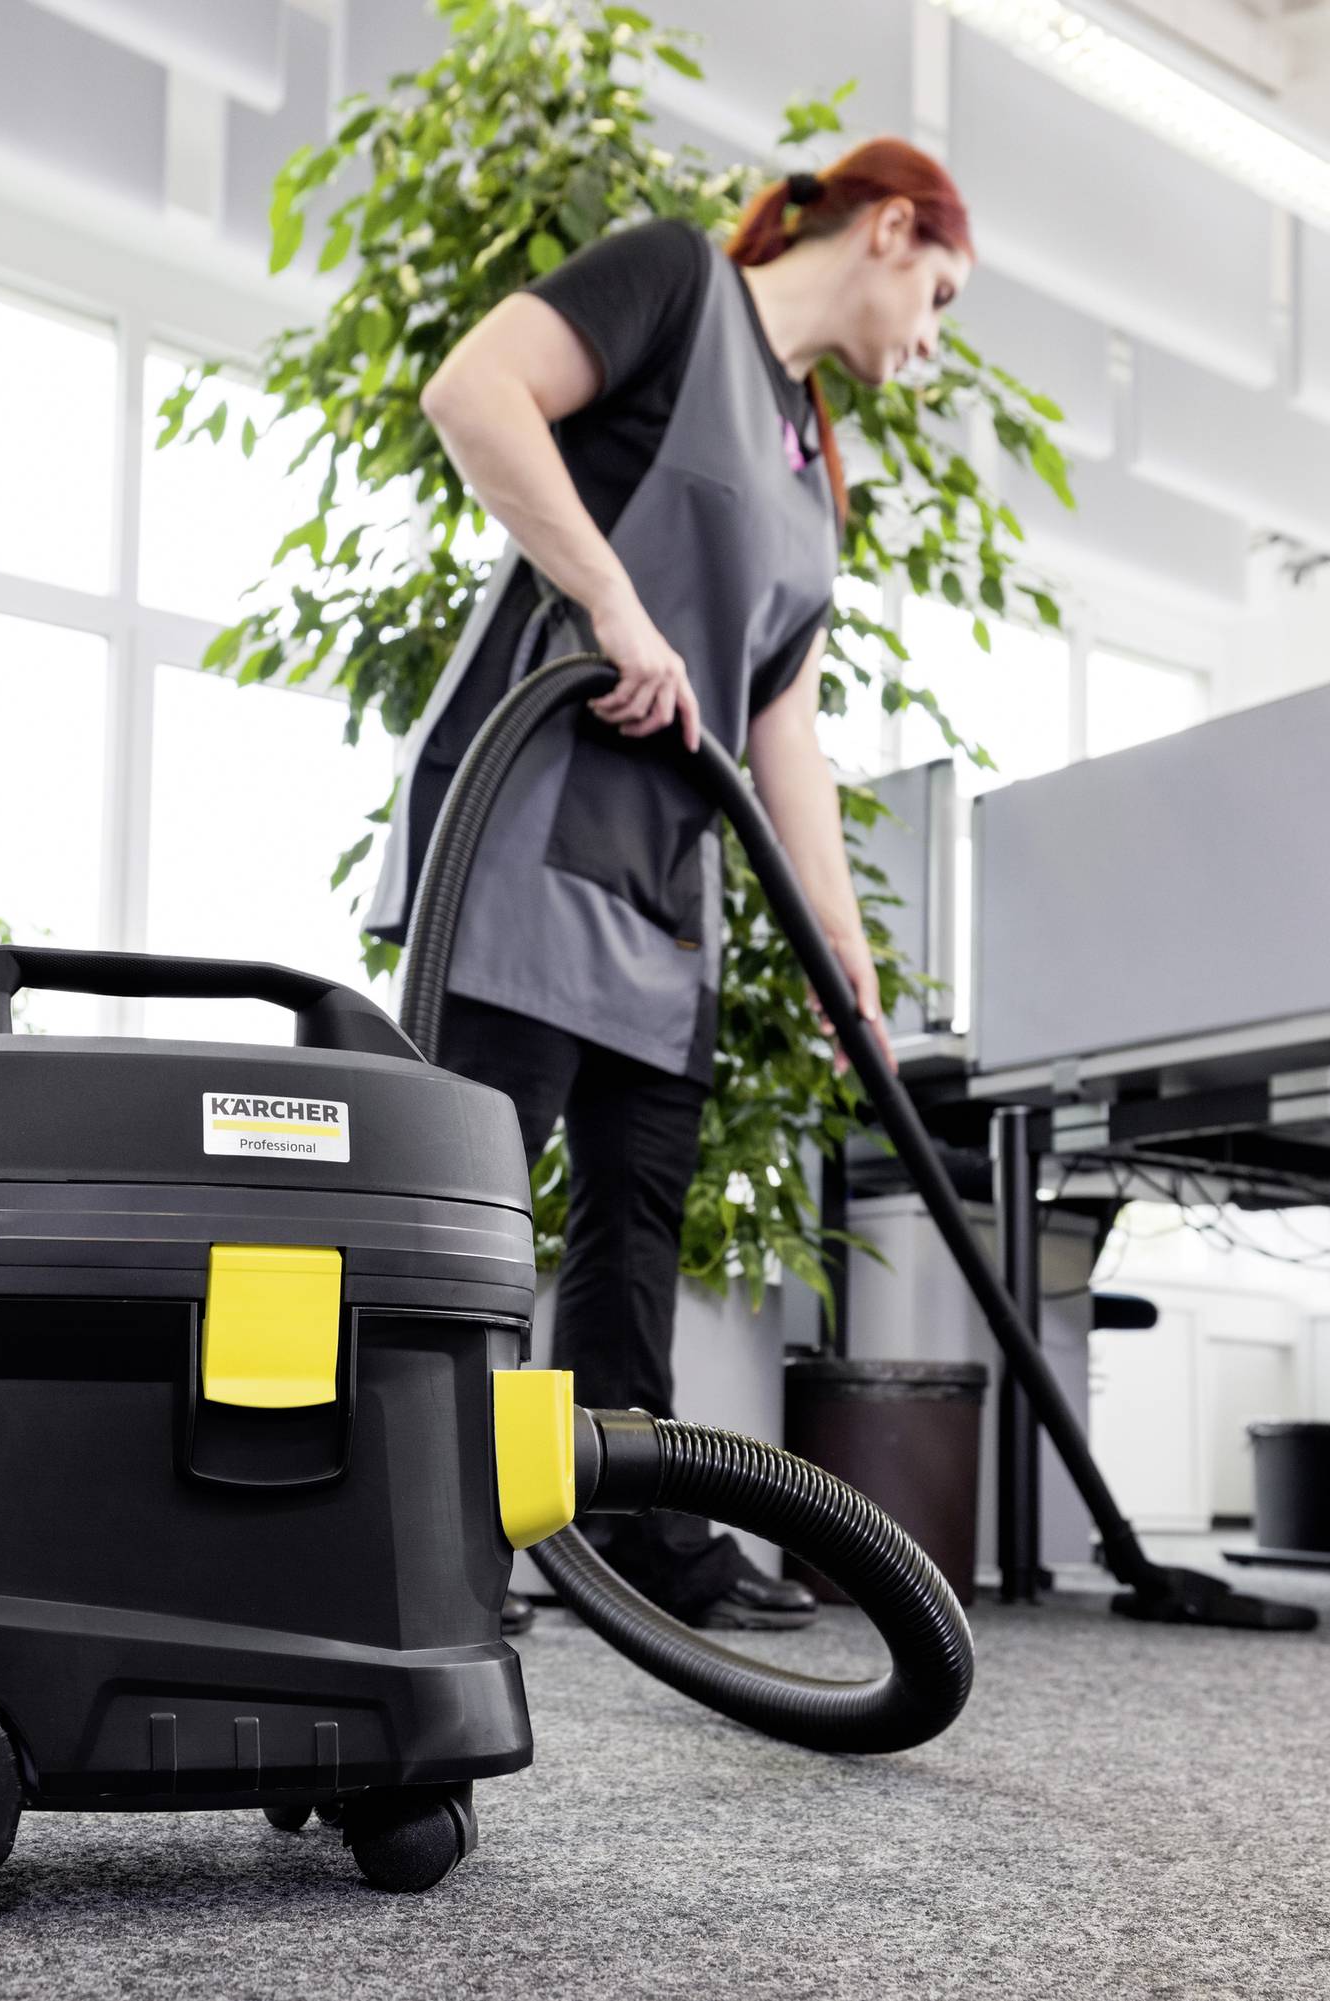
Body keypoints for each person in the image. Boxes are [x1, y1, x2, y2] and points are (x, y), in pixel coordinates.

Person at [363, 139, 976, 1631]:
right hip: (524, 831)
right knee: (463, 1210)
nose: (935, 339)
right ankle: (409, 1529)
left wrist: (845, 951)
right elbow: (472, 393)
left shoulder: (814, 460)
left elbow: (785, 728)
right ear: (889, 229)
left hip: (662, 884)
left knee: (635, 1233)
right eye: (943, 296)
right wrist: (613, 600)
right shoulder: (671, 282)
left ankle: (625, 1531)